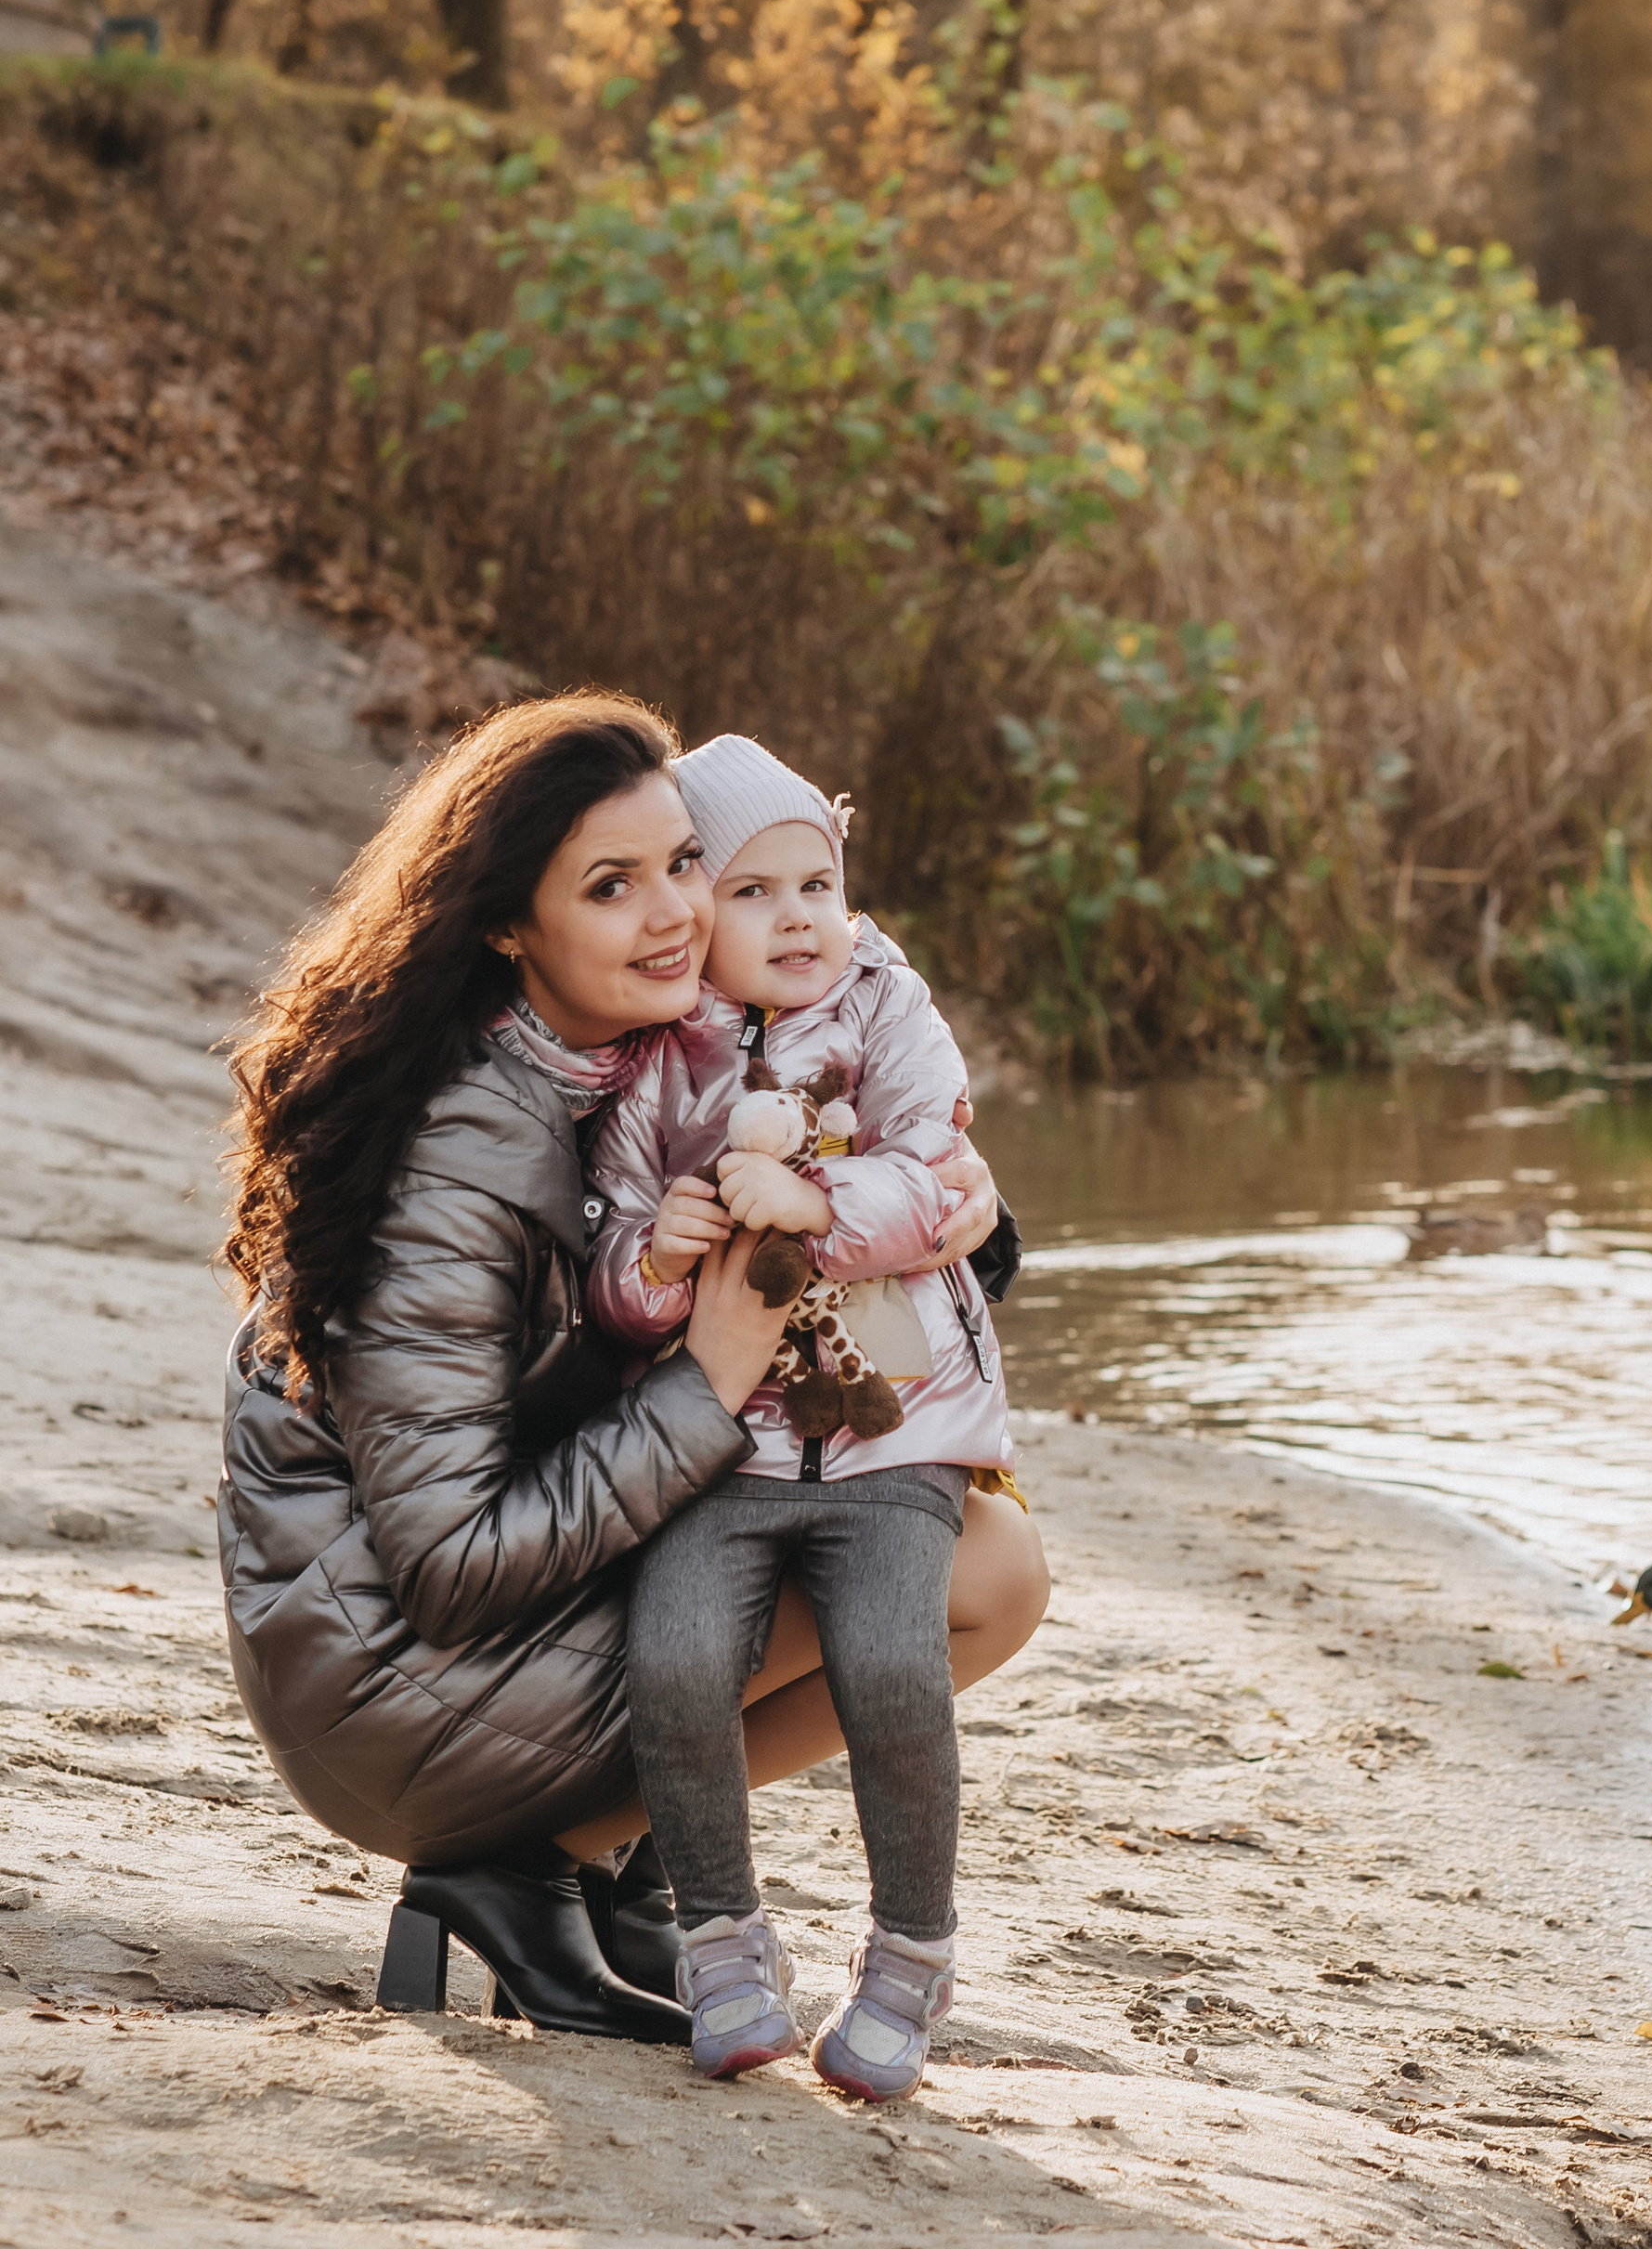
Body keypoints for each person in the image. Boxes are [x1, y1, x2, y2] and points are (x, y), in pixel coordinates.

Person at [216, 693, 1048, 2044]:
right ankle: (524, 1864)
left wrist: (969, 1216)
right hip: (390, 1677)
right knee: (977, 1578)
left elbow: (831, 1205)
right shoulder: (454, 1160)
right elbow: (451, 1559)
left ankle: (612, 1861)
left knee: (949, 1533)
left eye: (682, 866)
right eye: (613, 887)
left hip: (497, 1623)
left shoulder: (644, 1054)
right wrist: (709, 1381)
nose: (672, 913)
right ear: (505, 922)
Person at [587, 736, 1008, 2093]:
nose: (799, 920)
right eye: (756, 894)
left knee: (892, 1659)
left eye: (816, 884)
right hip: (728, 1449)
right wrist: (655, 1258)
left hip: (899, 1431)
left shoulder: (887, 1000)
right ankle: (719, 1940)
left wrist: (820, 1212)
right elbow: (617, 1270)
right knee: (675, 1659)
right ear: (697, 915)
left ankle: (911, 1956)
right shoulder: (660, 1058)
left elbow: (942, 1172)